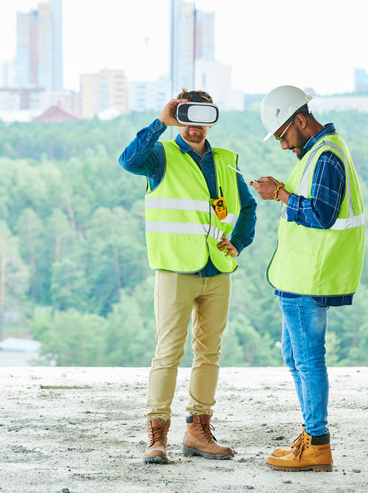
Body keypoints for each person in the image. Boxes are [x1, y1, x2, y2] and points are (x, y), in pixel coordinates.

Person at [118, 88, 257, 464]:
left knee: (209, 353)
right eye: (188, 117)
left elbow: (248, 206)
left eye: (203, 118)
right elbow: (128, 161)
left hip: (217, 271)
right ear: (180, 117)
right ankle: (157, 436)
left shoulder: (227, 162)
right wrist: (160, 122)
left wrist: (238, 242)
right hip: (175, 270)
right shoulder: (160, 156)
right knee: (168, 353)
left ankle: (198, 430)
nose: (195, 127)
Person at [250, 85, 365, 472]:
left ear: (300, 120)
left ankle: (317, 444)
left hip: (309, 278)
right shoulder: (319, 151)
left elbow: (321, 214)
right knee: (295, 357)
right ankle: (310, 437)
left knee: (308, 360)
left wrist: (279, 193)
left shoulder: (326, 156)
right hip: (299, 276)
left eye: (283, 135)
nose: (283, 145)